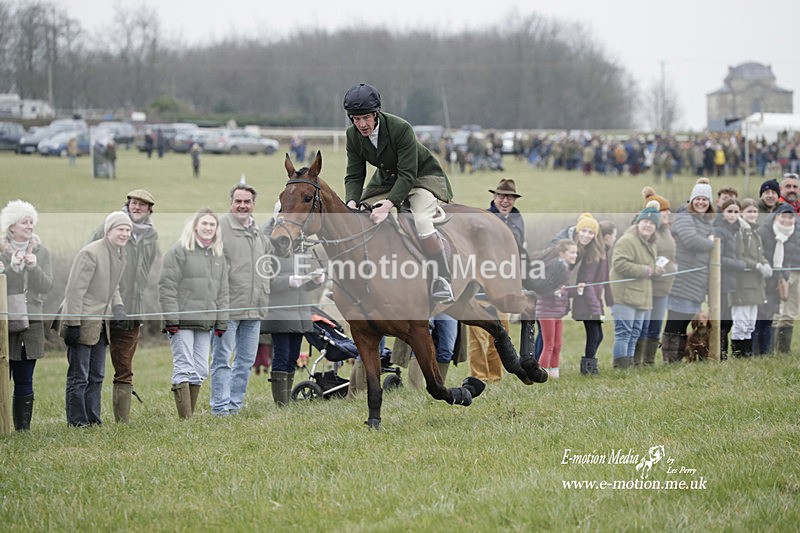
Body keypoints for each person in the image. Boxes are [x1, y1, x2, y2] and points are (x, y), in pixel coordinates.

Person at [341, 82, 455, 303]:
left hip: (421, 178)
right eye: (356, 119)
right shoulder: (352, 135)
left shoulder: (400, 128)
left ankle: (443, 278)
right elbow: (354, 174)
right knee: (357, 219)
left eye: (365, 118)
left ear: (376, 113)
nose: (361, 124)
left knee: (422, 222)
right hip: (386, 181)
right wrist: (352, 202)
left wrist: (388, 204)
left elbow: (408, 174)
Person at [87, 189, 159, 423]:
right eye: (134, 203)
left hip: (131, 309)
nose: (137, 208)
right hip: (102, 306)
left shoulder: (151, 236)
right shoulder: (107, 227)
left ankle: (122, 421)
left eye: (142, 205)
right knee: (92, 368)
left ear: (149, 210)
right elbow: (88, 259)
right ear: (127, 205)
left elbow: (145, 272)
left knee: (124, 366)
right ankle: (86, 419)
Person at [61, 211, 131, 427]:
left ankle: (93, 419)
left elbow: (114, 286)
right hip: (82, 322)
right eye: (120, 229)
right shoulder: (90, 253)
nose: (125, 234)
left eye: (128, 230)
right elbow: (74, 291)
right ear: (108, 230)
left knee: (97, 375)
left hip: (102, 324)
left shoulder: (120, 254)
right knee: (78, 376)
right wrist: (73, 324)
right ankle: (77, 422)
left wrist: (118, 307)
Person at [209, 182, 272, 416]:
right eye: (238, 201)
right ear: (231, 203)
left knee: (245, 361)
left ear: (253, 205)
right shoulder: (220, 228)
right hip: (228, 309)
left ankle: (234, 406)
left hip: (254, 309)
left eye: (247, 202)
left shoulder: (258, 232)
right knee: (223, 360)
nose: (242, 206)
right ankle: (219, 408)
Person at [159, 208, 228, 419]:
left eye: (212, 224)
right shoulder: (178, 251)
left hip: (205, 322)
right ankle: (185, 419)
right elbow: (166, 287)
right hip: (181, 322)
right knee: (184, 367)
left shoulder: (218, 255)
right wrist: (172, 320)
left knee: (201, 370)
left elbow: (223, 291)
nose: (208, 228)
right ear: (195, 226)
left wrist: (221, 322)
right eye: (204, 224)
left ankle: (190, 413)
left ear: (217, 229)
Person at [0, 200, 53, 431]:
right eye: (24, 221)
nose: (29, 226)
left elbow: (47, 286)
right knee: (3, 375)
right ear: (12, 226)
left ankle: (23, 428)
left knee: (25, 377)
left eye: (31, 221)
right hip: (4, 320)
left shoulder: (42, 252)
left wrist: (33, 267)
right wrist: (11, 267)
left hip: (31, 321)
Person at [262, 214, 324, 406]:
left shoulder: (299, 253)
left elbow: (303, 285)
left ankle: (286, 398)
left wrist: (314, 281)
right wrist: (287, 282)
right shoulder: (268, 252)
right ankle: (281, 402)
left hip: (300, 313)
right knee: (281, 355)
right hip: (279, 314)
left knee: (293, 357)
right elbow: (265, 281)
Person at [467, 179, 525, 383]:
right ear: (494, 197)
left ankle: (495, 377)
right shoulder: (483, 219)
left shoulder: (517, 219)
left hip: (504, 288)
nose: (505, 200)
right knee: (477, 337)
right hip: (481, 286)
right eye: (501, 196)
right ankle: (478, 376)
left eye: (509, 197)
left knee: (500, 335)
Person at [661, 178, 716, 363]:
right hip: (682, 280)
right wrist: (713, 243)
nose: (701, 202)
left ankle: (680, 357)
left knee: (684, 322)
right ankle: (670, 359)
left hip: (696, 282)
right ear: (691, 200)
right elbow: (691, 240)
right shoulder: (685, 216)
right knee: (675, 322)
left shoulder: (707, 221)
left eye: (705, 200)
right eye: (698, 199)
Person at [610, 205, 660, 368]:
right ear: (638, 223)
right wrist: (645, 270)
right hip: (625, 296)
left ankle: (629, 364)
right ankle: (620, 367)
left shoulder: (650, 243)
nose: (648, 225)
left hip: (642, 296)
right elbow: (619, 264)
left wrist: (655, 270)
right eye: (645, 221)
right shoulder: (627, 240)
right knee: (624, 333)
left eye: (652, 223)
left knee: (635, 333)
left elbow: (648, 267)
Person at [635, 189, 675, 366]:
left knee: (656, 327)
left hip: (664, 286)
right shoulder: (648, 231)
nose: (666, 214)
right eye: (662, 211)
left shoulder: (667, 230)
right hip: (649, 285)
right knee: (644, 326)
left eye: (667, 210)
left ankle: (649, 361)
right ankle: (637, 361)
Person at [570, 219, 616, 375]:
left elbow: (605, 281)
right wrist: (596, 309)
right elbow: (587, 282)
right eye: (614, 235)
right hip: (587, 302)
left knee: (598, 335)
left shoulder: (602, 253)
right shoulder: (595, 256)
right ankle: (588, 369)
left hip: (593, 300)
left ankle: (590, 365)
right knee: (594, 335)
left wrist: (609, 300)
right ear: (606, 237)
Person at [728, 198, 771, 357]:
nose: (752, 214)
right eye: (749, 211)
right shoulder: (740, 231)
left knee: (750, 324)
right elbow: (740, 256)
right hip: (743, 284)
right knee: (741, 322)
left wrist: (765, 263)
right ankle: (738, 354)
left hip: (756, 284)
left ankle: (746, 354)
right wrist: (756, 266)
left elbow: (760, 255)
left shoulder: (755, 231)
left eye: (754, 211)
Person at [535, 239, 579, 378]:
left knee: (557, 345)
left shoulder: (565, 269)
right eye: (572, 252)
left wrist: (577, 289)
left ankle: (554, 373)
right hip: (546, 311)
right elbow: (542, 288)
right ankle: (541, 374)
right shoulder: (553, 267)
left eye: (576, 253)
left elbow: (564, 291)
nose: (575, 255)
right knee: (548, 345)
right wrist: (554, 291)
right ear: (562, 253)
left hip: (558, 312)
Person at [762, 202, 800, 353]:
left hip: (793, 271)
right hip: (775, 274)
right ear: (777, 216)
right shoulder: (768, 229)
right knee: (776, 312)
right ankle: (769, 349)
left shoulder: (795, 230)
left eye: (790, 217)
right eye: (783, 216)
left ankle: (783, 350)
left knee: (789, 312)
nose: (786, 220)